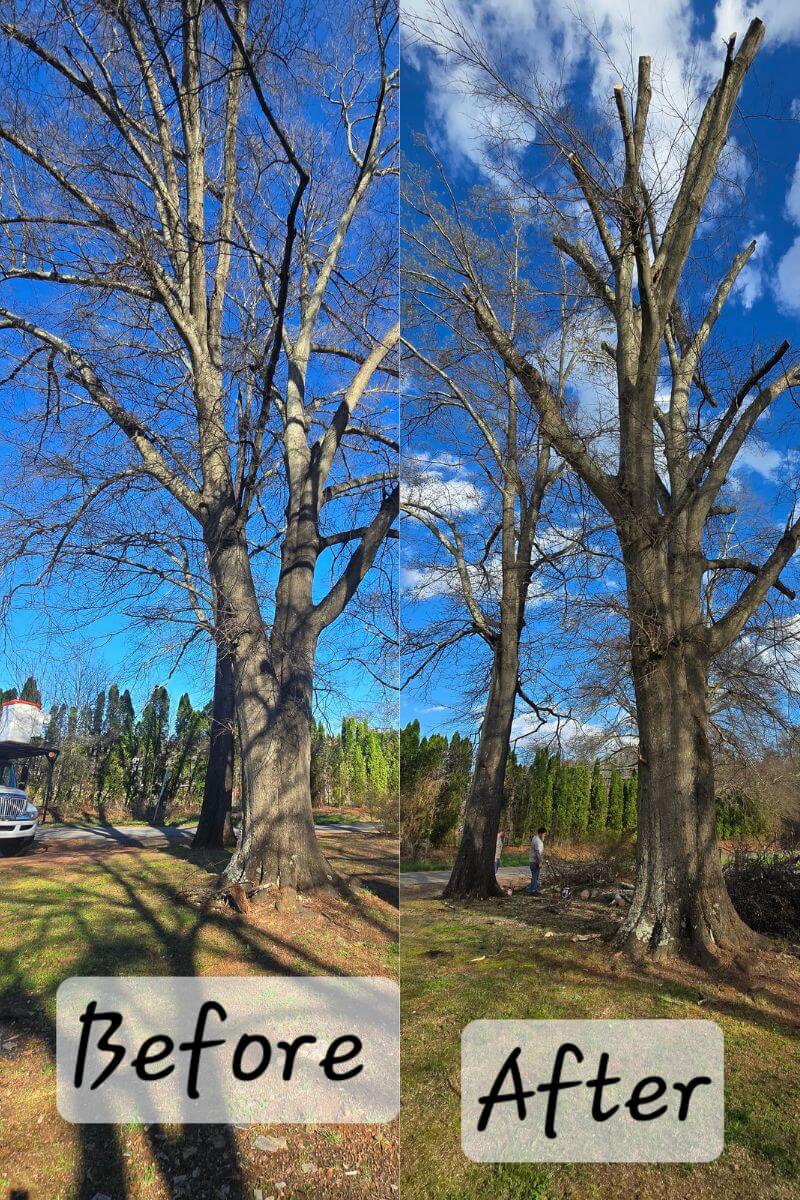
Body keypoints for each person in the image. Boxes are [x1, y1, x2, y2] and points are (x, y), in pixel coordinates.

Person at [529, 827, 546, 896]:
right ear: (541, 833)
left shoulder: (536, 838)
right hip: (535, 861)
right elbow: (537, 853)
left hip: (534, 861)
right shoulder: (537, 841)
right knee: (535, 876)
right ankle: (533, 891)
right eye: (544, 834)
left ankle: (534, 889)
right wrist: (540, 862)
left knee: (535, 876)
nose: (544, 836)